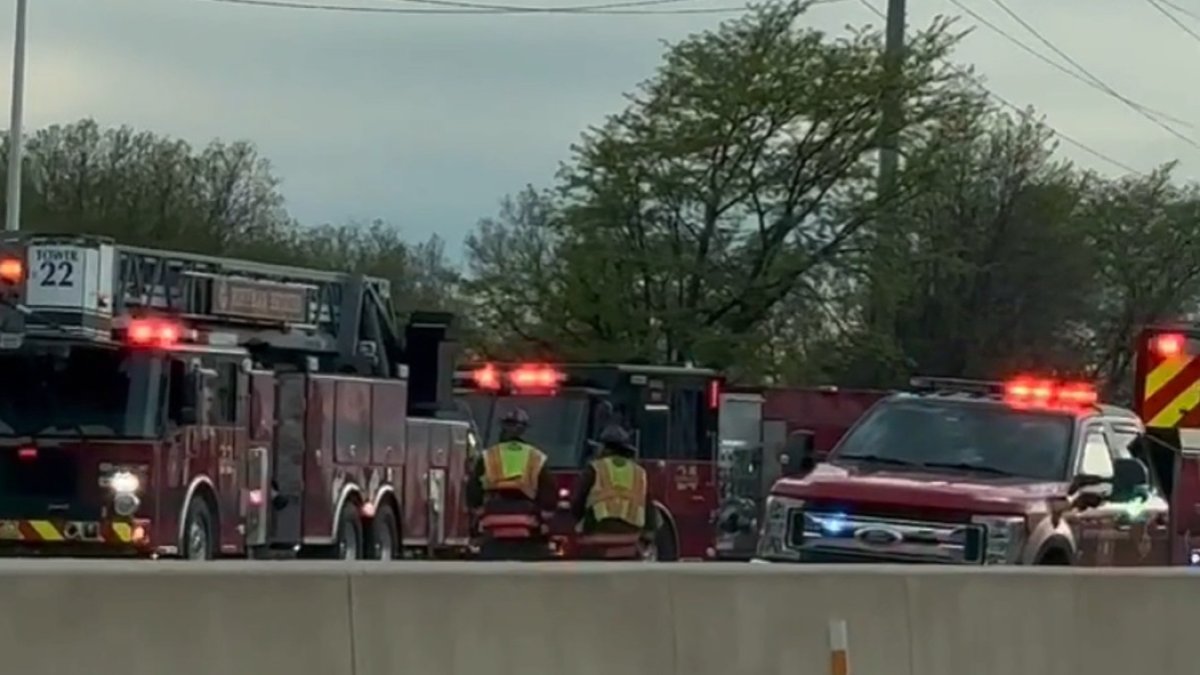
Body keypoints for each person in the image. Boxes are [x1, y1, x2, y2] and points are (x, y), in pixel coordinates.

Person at [466, 408, 557, 561]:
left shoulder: (488, 455)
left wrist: (479, 513)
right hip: (527, 523)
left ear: (502, 428)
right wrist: (544, 518)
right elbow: (549, 493)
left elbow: (473, 491)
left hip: (493, 521)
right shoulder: (536, 456)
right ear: (524, 430)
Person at [569, 424, 658, 560]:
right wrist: (647, 535)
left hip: (597, 538)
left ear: (604, 448)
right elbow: (649, 508)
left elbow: (577, 503)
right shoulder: (639, 473)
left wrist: (577, 521)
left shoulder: (594, 469)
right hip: (630, 540)